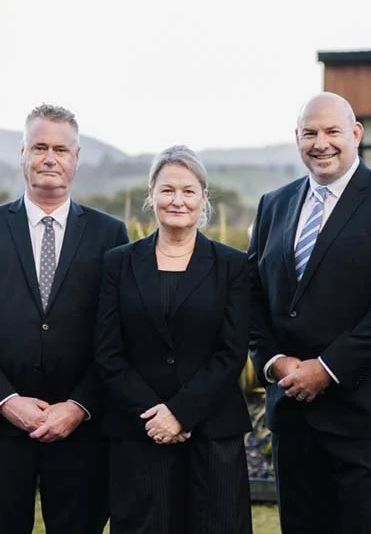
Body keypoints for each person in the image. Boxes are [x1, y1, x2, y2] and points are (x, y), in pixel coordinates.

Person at [248, 92, 371, 533]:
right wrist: (274, 363)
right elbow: (251, 296)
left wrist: (326, 369)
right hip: (294, 415)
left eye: (332, 131)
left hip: (366, 416)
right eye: (310, 132)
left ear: (356, 134)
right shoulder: (274, 204)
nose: (321, 142)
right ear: (297, 139)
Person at [0, 104, 129, 534]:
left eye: (61, 149)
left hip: (80, 430)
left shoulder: (109, 235)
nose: (50, 157)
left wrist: (79, 406)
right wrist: (8, 402)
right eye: (40, 146)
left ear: (76, 158)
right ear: (22, 153)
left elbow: (117, 333)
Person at [94, 145, 253, 534]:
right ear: (151, 196)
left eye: (187, 191)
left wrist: (181, 412)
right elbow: (108, 352)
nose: (177, 200)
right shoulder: (119, 262)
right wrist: (155, 414)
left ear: (203, 198)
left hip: (213, 434)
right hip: (139, 432)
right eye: (167, 190)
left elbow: (231, 351)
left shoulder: (232, 265)